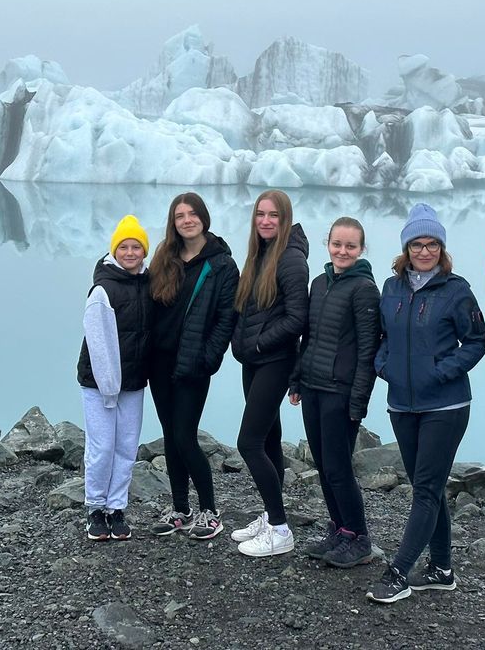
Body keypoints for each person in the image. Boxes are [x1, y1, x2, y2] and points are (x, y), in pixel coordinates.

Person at [366, 203, 485, 604]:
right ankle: (441, 569)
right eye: (417, 244)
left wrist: (440, 371)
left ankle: (398, 571)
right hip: (401, 404)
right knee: (427, 488)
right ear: (406, 247)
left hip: (446, 405)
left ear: (441, 247)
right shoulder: (392, 287)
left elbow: (476, 341)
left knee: (426, 488)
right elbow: (382, 338)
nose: (424, 251)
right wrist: (383, 366)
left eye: (431, 243)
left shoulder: (456, 290)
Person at [146, 192, 239, 540]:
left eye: (192, 214)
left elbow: (225, 318)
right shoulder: (165, 257)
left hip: (193, 364)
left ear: (203, 217)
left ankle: (210, 511)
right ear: (173, 222)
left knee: (185, 437)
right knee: (171, 436)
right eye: (179, 215)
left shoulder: (221, 265)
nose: (186, 220)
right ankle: (180, 510)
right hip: (160, 362)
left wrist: (208, 358)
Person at [288, 217, 379, 568]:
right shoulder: (319, 283)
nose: (343, 251)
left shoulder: (365, 289)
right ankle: (340, 530)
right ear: (328, 244)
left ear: (361, 249)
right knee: (325, 466)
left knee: (339, 468)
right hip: (313, 387)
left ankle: (360, 538)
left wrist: (359, 401)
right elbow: (307, 338)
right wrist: (297, 380)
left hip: (340, 392)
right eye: (337, 244)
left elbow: (368, 350)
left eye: (350, 246)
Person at [229, 189, 309, 557]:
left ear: (285, 219)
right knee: (269, 440)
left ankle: (279, 529)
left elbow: (297, 318)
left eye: (273, 215)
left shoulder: (291, 260)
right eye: (260, 214)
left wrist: (259, 344)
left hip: (275, 362)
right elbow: (247, 309)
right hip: (254, 362)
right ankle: (271, 515)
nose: (265, 220)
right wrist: (242, 344)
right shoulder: (259, 254)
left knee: (249, 442)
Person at [77, 214, 152, 542]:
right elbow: (97, 343)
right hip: (100, 384)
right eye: (124, 246)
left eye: (137, 246)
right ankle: (95, 507)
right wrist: (109, 387)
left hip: (134, 382)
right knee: (102, 445)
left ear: (144, 252)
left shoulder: (148, 284)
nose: (131, 252)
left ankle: (116, 506)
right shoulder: (103, 290)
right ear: (114, 250)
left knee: (125, 445)